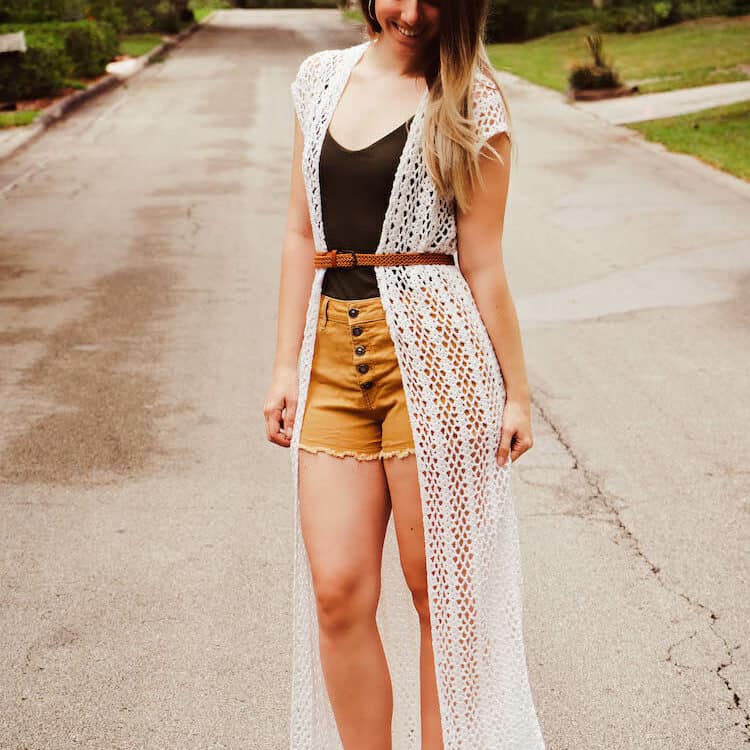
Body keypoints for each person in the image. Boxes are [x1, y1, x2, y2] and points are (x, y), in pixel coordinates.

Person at [263, 1, 546, 747]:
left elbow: (483, 262)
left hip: (435, 356)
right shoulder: (318, 80)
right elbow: (299, 231)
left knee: (441, 601)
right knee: (338, 594)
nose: (412, 12)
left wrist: (517, 392)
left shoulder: (472, 103)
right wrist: (283, 364)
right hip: (329, 355)